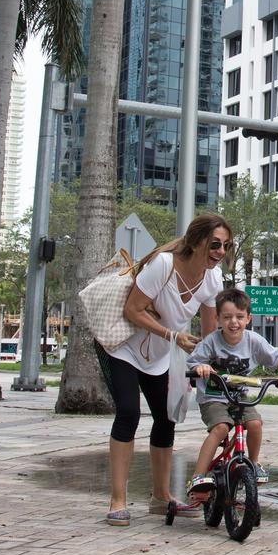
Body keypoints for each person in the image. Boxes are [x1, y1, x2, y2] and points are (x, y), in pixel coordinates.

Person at [105, 213, 232, 527]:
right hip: (125, 348)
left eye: (226, 246)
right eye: (215, 244)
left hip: (161, 356)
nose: (220, 251)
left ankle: (161, 498)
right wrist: (173, 335)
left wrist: (209, 362)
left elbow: (208, 329)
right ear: (197, 240)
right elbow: (132, 310)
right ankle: (117, 500)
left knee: (166, 418)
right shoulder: (163, 265)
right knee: (128, 413)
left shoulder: (212, 278)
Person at [185, 288, 278, 501]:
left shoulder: (253, 341)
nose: (233, 322)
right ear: (217, 319)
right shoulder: (211, 342)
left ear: (248, 318)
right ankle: (198, 476)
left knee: (255, 424)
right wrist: (201, 368)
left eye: (239, 317)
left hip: (240, 397)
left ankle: (252, 464)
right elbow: (194, 362)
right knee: (221, 428)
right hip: (214, 398)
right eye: (227, 317)